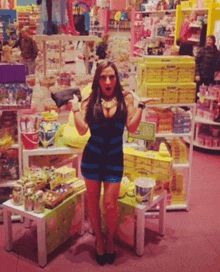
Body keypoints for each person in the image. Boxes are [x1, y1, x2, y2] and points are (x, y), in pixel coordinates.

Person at [70, 61, 159, 266]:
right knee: (92, 202)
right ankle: (99, 241)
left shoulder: (125, 98)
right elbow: (83, 130)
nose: (108, 81)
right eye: (103, 77)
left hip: (114, 159)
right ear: (98, 80)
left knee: (110, 204)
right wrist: (75, 109)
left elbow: (133, 128)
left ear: (117, 79)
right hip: (92, 158)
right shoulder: (90, 100)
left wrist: (141, 106)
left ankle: (110, 239)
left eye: (111, 77)